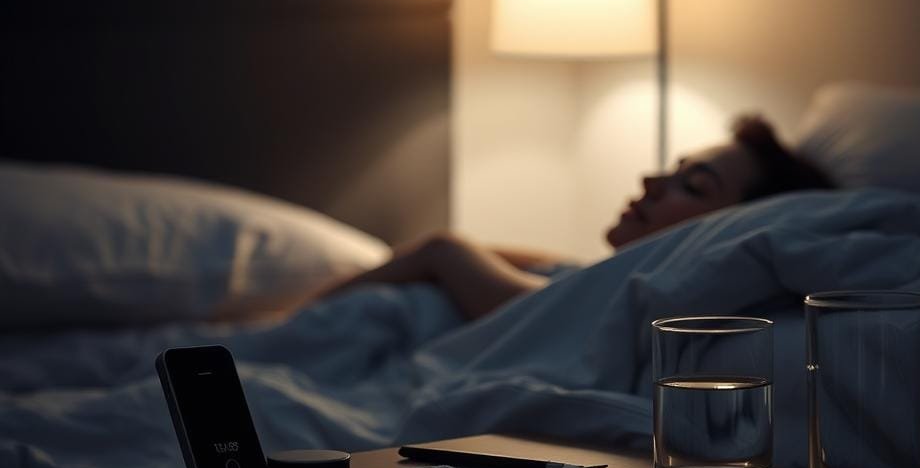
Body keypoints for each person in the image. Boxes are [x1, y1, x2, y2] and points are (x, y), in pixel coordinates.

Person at [329, 115, 834, 321]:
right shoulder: (597, 282)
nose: (650, 182)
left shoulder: (619, 311)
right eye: (673, 170)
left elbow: (441, 249)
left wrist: (282, 316)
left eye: (692, 186)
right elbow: (556, 267)